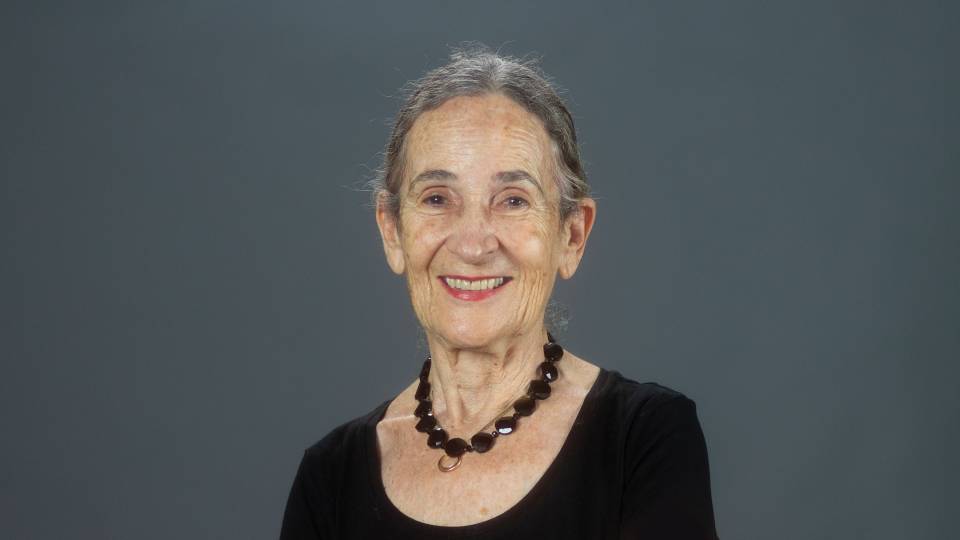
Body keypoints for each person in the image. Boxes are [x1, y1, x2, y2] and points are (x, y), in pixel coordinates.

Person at [279, 47, 719, 539]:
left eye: (513, 200)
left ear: (571, 236)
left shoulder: (644, 438)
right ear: (392, 231)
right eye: (437, 198)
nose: (473, 245)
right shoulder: (329, 478)